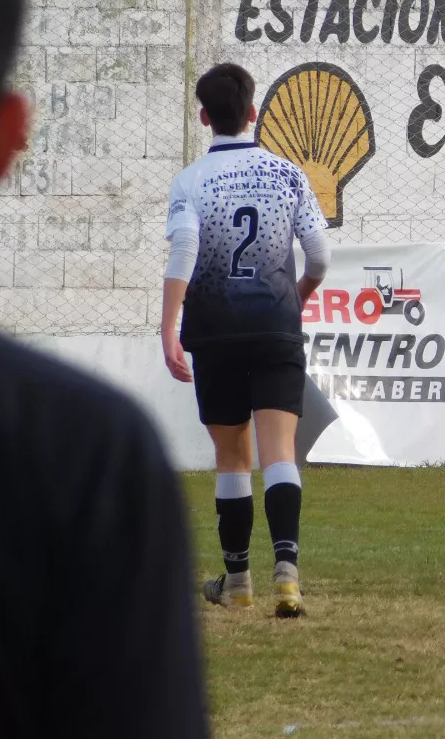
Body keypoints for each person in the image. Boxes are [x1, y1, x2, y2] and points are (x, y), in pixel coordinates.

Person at [0, 0, 209, 735]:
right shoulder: (83, 458)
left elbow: (183, 244)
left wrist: (169, 323)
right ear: (7, 140)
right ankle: (272, 565)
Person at [161, 62, 332, 618]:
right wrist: (297, 295)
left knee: (232, 455)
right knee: (279, 452)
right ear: (254, 112)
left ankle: (237, 581)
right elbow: (319, 254)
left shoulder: (190, 181)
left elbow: (184, 249)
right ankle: (287, 572)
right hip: (276, 324)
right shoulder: (288, 174)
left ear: (205, 116)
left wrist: (169, 328)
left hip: (214, 329)